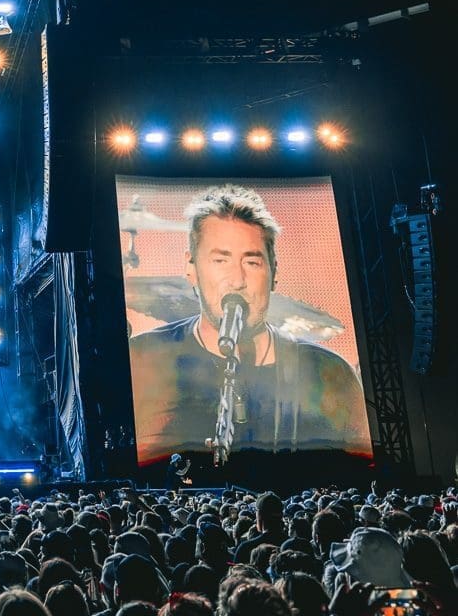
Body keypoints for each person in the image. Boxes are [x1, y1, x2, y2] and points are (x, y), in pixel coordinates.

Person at [127, 184, 366, 460]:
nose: (237, 280)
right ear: (191, 268)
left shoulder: (330, 374)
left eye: (252, 263)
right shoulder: (142, 361)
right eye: (220, 260)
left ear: (273, 270)